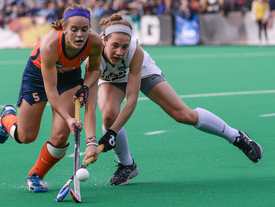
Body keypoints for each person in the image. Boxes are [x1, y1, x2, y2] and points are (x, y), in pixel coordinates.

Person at [91, 11, 263, 186]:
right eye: (115, 46)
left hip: (142, 72)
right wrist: (93, 138)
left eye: (124, 46)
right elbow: (89, 101)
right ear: (104, 40)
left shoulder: (135, 53)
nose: (120, 52)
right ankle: (127, 165)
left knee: (183, 115)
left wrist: (112, 133)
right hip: (111, 78)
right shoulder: (92, 53)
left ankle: (236, 136)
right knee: (109, 116)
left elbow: (132, 100)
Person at [0, 4, 103, 193]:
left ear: (90, 29)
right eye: (74, 29)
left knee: (61, 136)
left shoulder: (94, 42)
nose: (79, 35)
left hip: (69, 77)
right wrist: (69, 118)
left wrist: (85, 87)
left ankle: (36, 175)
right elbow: (50, 90)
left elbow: (94, 69)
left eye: (84, 29)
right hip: (38, 77)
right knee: (26, 136)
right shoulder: (50, 44)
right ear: (64, 28)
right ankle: (6, 118)